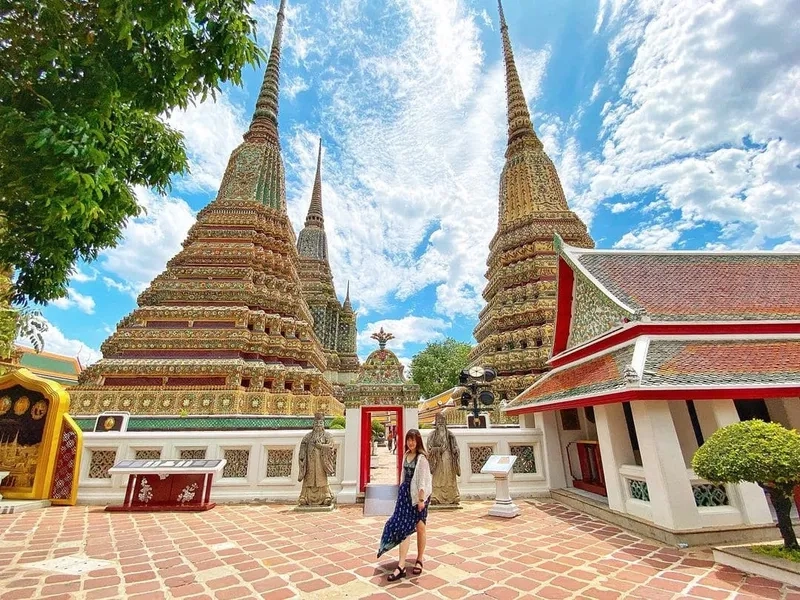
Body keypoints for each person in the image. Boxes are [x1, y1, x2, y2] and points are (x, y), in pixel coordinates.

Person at [377, 429, 432, 581]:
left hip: (419, 497)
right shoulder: (406, 456)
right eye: (408, 440)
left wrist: (421, 500)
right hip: (405, 495)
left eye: (413, 440)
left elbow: (423, 481)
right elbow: (403, 477)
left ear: (418, 441)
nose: (411, 442)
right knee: (404, 528)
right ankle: (401, 565)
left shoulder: (422, 459)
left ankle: (419, 559)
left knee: (420, 527)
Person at [297, 413, 335, 506]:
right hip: (309, 462)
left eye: (320, 423)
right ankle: (304, 497)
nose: (318, 425)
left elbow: (330, 446)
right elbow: (303, 445)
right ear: (313, 424)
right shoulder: (308, 436)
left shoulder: (327, 436)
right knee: (308, 478)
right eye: (316, 423)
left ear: (323, 424)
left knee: (321, 478)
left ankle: (326, 496)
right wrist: (302, 454)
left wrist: (320, 446)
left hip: (321, 462)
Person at [428, 413, 461, 505]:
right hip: (437, 462)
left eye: (443, 421)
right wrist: (438, 450)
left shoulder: (450, 435)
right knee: (438, 479)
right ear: (436, 423)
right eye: (439, 421)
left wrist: (455, 451)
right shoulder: (432, 436)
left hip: (449, 460)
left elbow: (456, 447)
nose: (441, 423)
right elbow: (429, 450)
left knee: (450, 478)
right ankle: (436, 496)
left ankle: (453, 496)